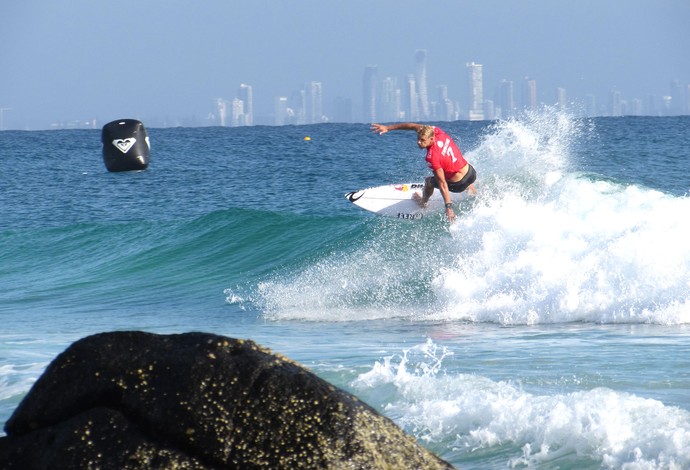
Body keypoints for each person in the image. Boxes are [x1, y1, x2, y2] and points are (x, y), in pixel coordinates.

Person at [371, 123, 476, 222]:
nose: (418, 142)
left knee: (429, 181)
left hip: (458, 185)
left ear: (431, 139)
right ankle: (473, 192)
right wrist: (388, 128)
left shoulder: (432, 157)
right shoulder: (436, 131)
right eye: (418, 139)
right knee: (454, 165)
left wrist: (448, 207)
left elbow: (442, 183)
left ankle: (423, 202)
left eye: (422, 140)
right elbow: (412, 126)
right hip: (471, 173)